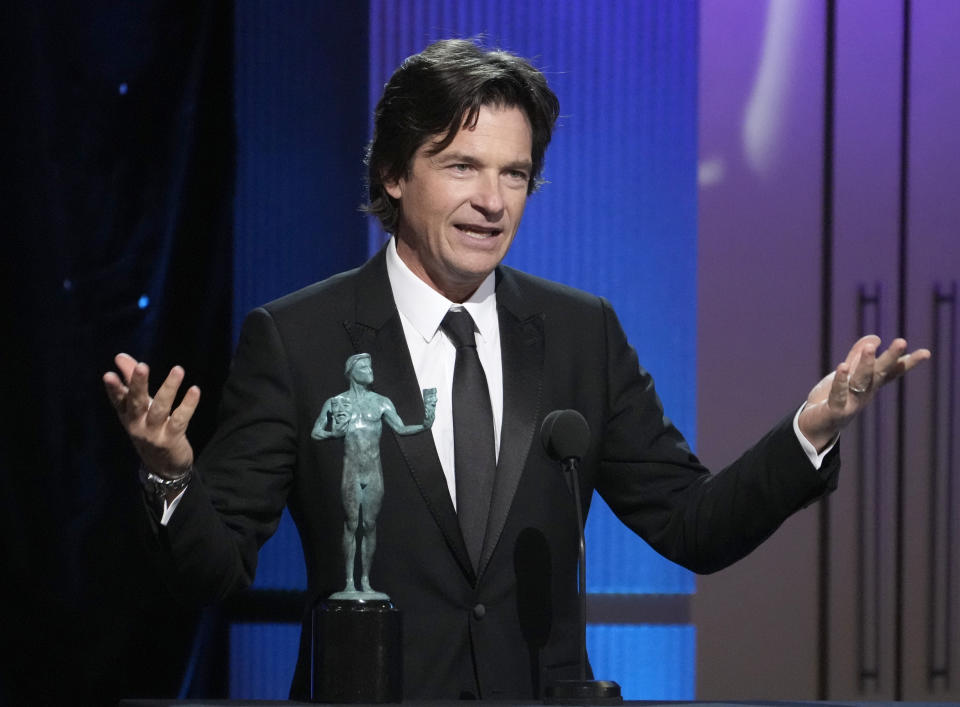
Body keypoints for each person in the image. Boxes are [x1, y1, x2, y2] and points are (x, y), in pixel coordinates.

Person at [102, 39, 930, 700]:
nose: (493, 201)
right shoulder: (298, 338)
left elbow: (693, 524)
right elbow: (213, 572)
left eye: (515, 173)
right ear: (394, 173)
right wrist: (173, 478)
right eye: (462, 166)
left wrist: (808, 432)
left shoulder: (580, 333)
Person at [311, 353, 436, 597]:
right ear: (352, 371)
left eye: (371, 365)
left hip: (373, 472)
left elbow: (400, 428)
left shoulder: (381, 402)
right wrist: (333, 434)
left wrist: (424, 425)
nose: (370, 370)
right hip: (351, 471)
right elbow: (316, 432)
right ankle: (349, 580)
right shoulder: (337, 402)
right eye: (364, 366)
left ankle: (366, 580)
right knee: (351, 524)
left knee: (369, 525)